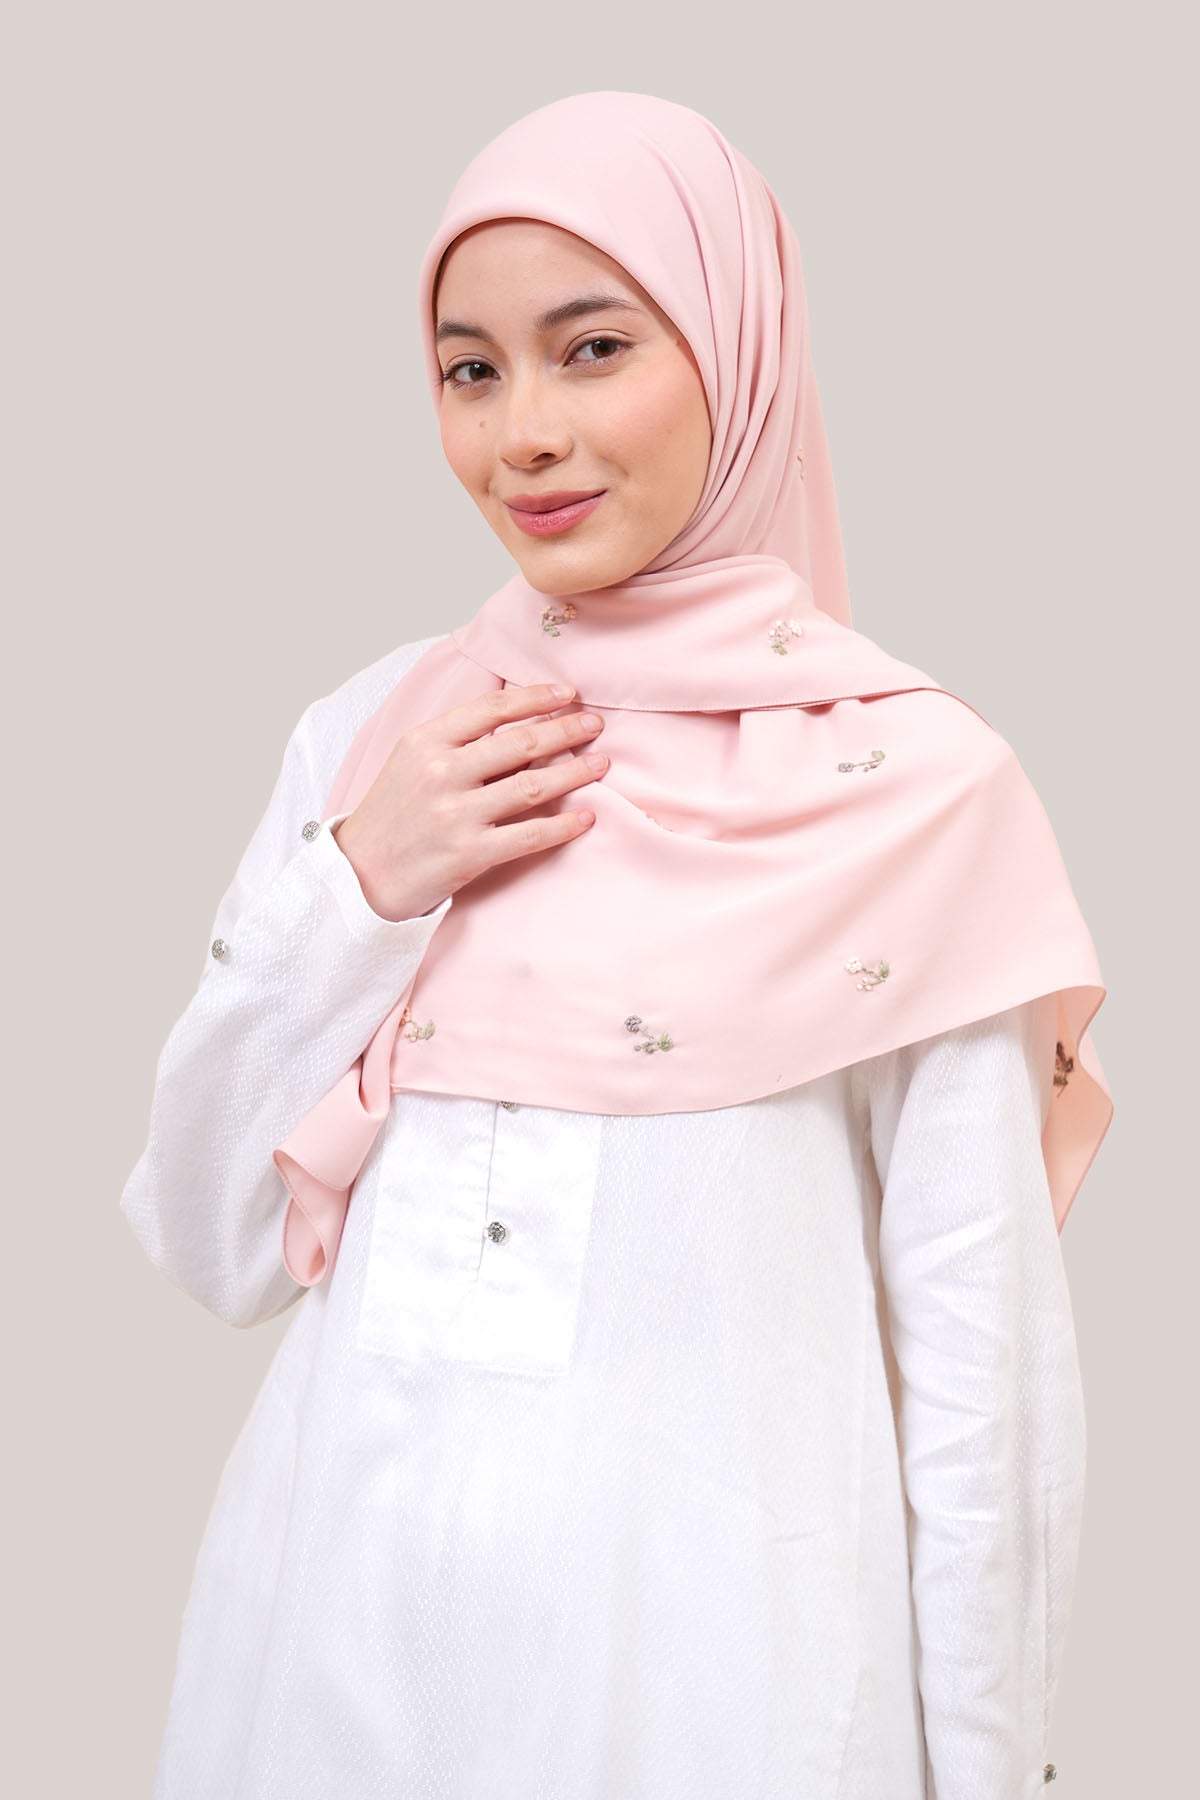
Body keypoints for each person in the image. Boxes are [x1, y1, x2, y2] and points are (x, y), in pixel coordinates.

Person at [120, 90, 1111, 1800]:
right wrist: (362, 889)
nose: (524, 435)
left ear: (738, 351)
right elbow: (212, 1242)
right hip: (329, 1666)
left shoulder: (913, 800)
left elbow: (983, 1395)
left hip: (730, 1696)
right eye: (471, 370)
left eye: (593, 349)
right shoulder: (378, 747)